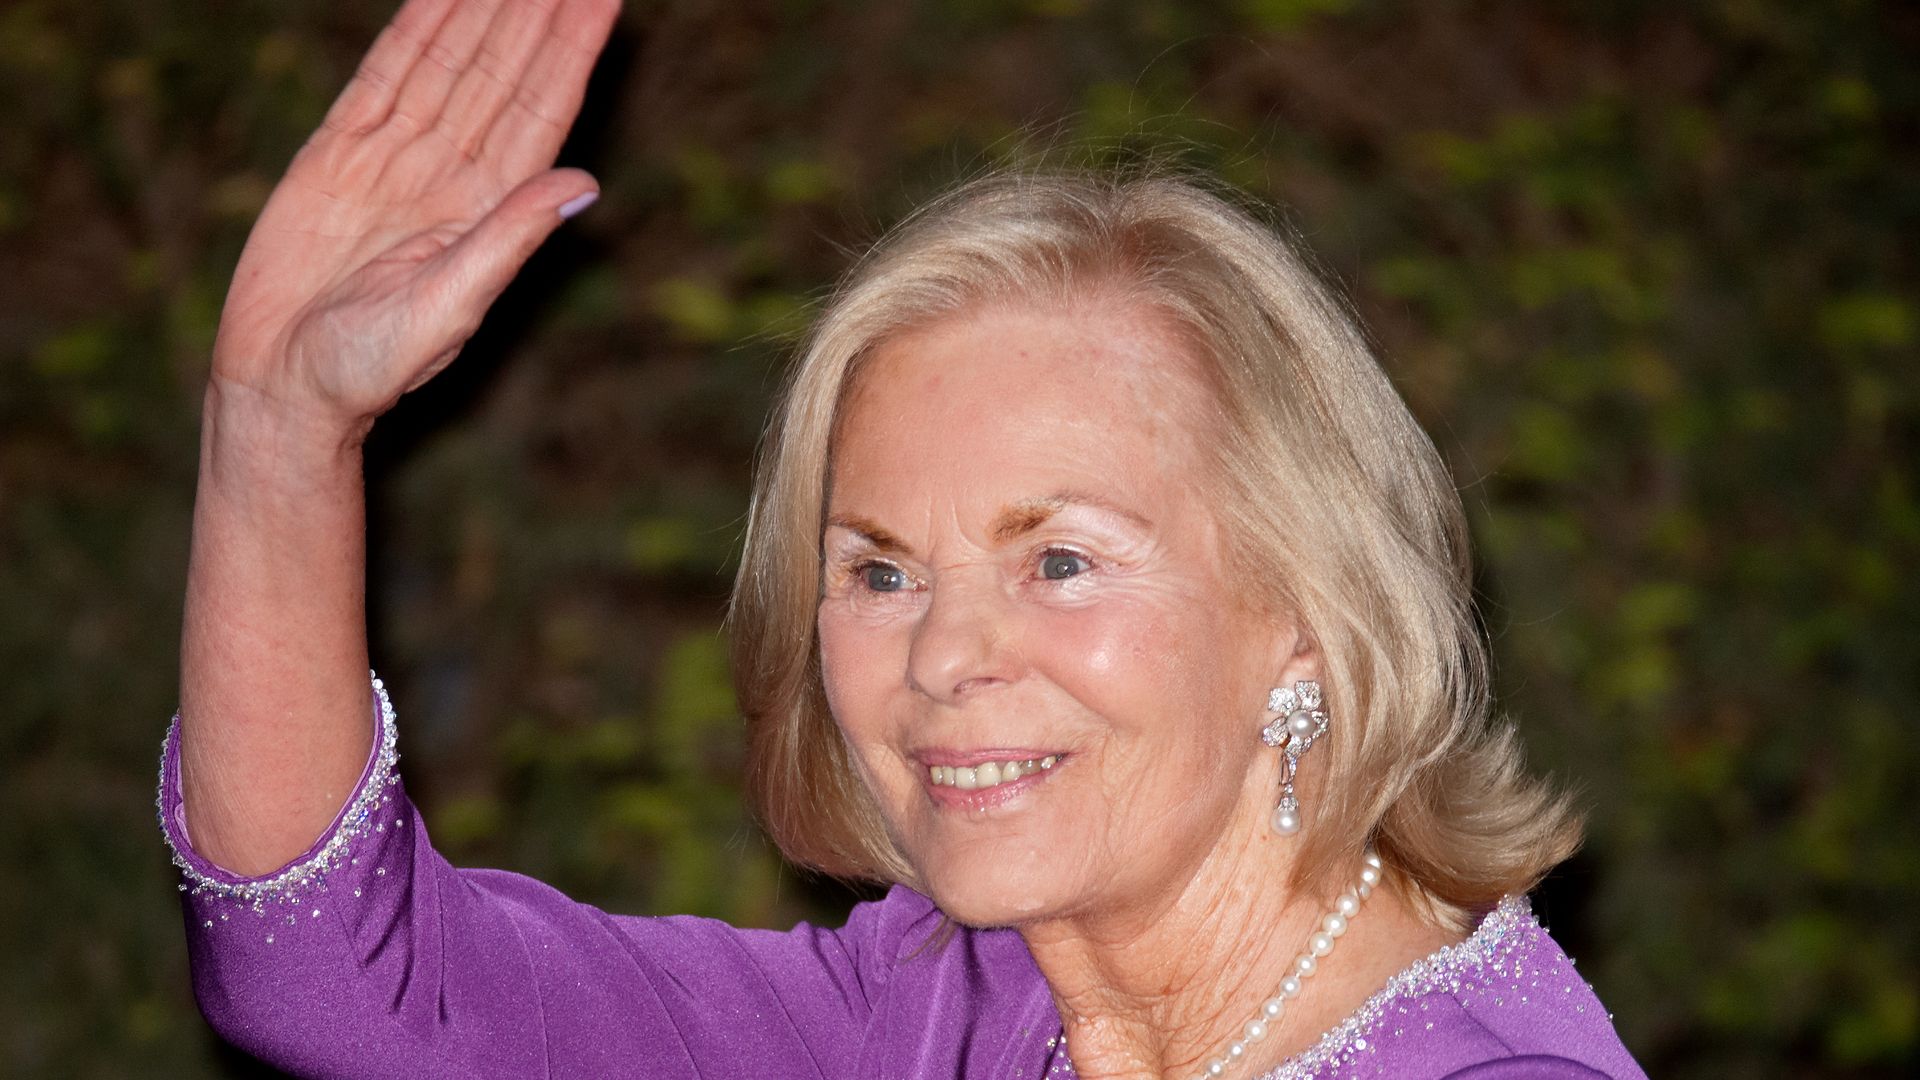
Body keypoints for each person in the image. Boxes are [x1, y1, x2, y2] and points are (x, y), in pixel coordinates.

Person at [157, 0, 1648, 1077]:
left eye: (1057, 559)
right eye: (878, 570)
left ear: (1305, 608)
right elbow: (342, 986)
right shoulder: (949, 1007)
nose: (941, 655)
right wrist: (281, 439)